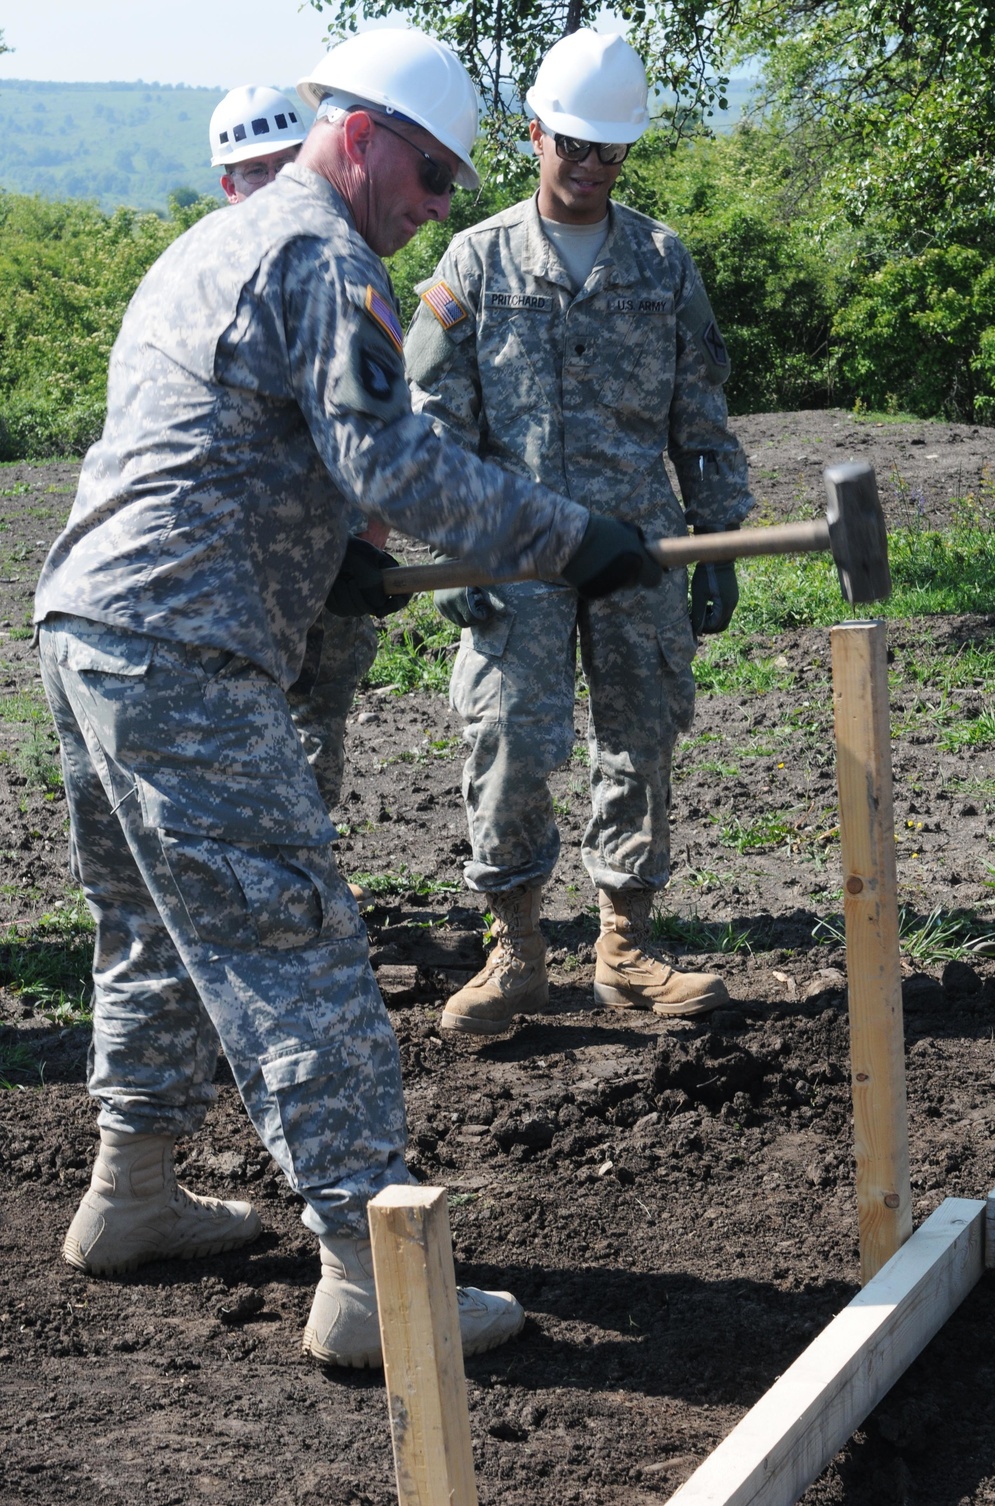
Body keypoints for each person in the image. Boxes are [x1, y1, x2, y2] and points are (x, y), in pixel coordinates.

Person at [34, 27, 661, 1370]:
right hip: (182, 645)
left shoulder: (221, 244)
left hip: (91, 623)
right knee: (299, 948)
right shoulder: (323, 254)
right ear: (364, 134)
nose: (438, 208)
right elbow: (403, 466)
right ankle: (374, 1272)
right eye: (432, 176)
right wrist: (572, 535)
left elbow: (233, 444)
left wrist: (334, 574)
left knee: (149, 926)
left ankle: (130, 1192)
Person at [405, 29, 755, 1037]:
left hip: (637, 549)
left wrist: (718, 541)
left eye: (612, 150)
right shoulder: (473, 261)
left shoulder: (660, 261)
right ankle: (514, 951)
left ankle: (624, 946)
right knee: (509, 740)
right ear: (535, 137)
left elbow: (702, 417)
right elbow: (434, 425)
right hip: (513, 548)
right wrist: (448, 553)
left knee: (638, 739)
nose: (595, 164)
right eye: (576, 144)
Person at [211, 84, 381, 904]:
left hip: (332, 570)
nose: (274, 182)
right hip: (234, 590)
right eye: (254, 171)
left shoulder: (339, 265)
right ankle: (267, 899)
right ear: (226, 185)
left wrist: (371, 548)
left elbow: (386, 439)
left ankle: (303, 891)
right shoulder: (207, 277)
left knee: (316, 737)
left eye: (286, 163)